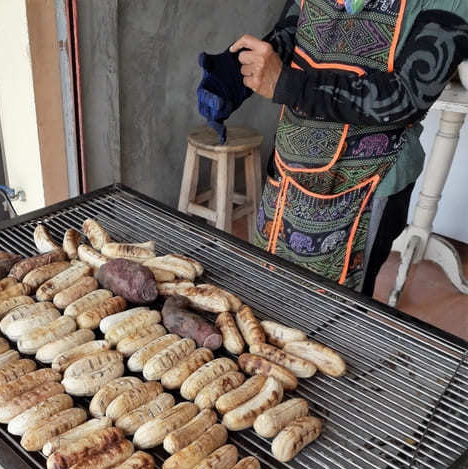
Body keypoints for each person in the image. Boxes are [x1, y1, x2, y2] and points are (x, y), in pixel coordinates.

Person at [197, 0, 468, 295]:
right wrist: (237, 73)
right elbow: (291, 34)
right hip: (290, 167)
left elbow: (407, 97)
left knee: (334, 310)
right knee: (269, 288)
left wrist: (286, 84)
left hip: (366, 189)